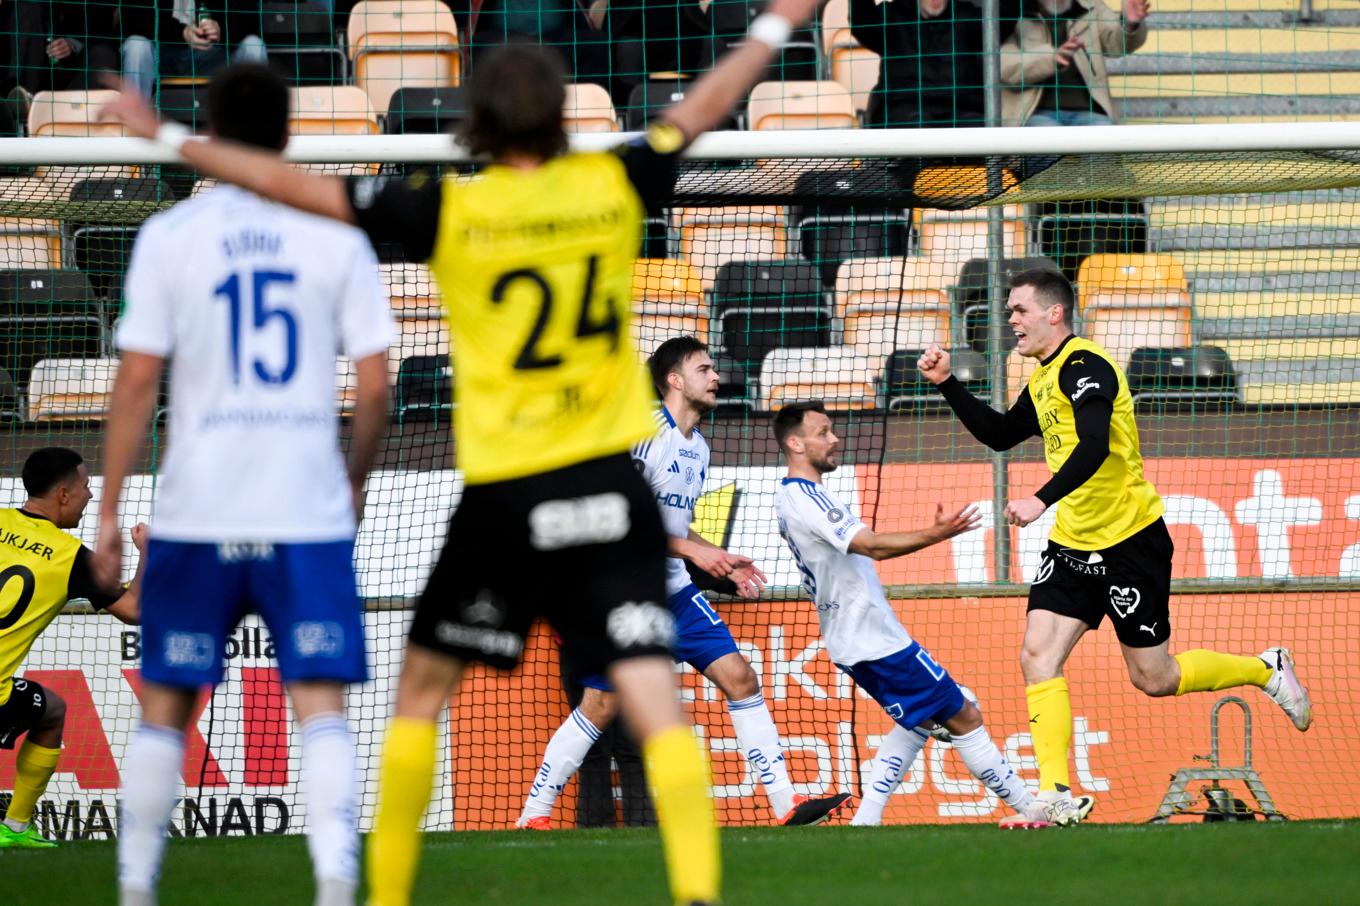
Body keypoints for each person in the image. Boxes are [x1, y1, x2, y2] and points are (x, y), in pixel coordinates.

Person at [100, 3, 822, 902]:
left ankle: (389, 895)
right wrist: (777, 23)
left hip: (505, 498)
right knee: (652, 692)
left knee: (418, 697)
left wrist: (169, 133)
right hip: (606, 486)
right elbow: (707, 104)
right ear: (563, 118)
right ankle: (699, 893)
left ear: (473, 125)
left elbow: (299, 191)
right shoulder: (611, 184)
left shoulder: (450, 210)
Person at [92, 64, 393, 906]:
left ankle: (136, 886)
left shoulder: (170, 235)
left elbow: (135, 385)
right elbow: (374, 387)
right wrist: (355, 480)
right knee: (321, 706)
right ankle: (336, 881)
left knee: (166, 708)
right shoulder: (334, 233)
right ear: (288, 135)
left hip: (198, 508)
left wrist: (112, 511)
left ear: (211, 132)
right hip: (304, 508)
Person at [917, 268, 1312, 825]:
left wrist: (1040, 499)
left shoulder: (1086, 367)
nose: (1010, 321)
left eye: (1019, 310)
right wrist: (947, 383)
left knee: (1155, 679)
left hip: (1131, 540)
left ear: (1054, 313)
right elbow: (1002, 434)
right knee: (1036, 655)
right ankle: (1055, 796)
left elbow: (1097, 445)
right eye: (1009, 312)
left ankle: (1264, 668)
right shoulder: (1043, 377)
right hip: (1074, 543)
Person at [516, 337, 852, 830]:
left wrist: (713, 557)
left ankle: (785, 805)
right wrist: (698, 551)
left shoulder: (699, 448)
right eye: (704, 368)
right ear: (674, 380)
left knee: (739, 677)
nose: (716, 377)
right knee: (601, 705)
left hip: (673, 588)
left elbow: (672, 522)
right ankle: (535, 813)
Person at [772, 402, 1058, 830]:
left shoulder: (792, 495)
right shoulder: (806, 497)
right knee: (964, 714)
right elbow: (872, 546)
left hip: (856, 636)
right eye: (823, 432)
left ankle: (867, 820)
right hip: (872, 637)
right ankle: (1034, 809)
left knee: (922, 720)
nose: (834, 439)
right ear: (795, 443)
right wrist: (937, 534)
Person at [0, 448, 144, 849]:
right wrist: (150, 554)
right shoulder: (72, 558)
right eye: (85, 487)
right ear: (63, 494)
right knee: (54, 713)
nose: (90, 496)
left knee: (51, 708)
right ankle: (14, 828)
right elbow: (135, 610)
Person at [851, 0, 1020, 129]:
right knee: (915, 127)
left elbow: (1005, 16)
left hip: (961, 111)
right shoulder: (890, 18)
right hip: (904, 112)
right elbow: (862, 21)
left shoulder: (967, 17)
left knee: (977, 131)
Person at [1000, 0, 1149, 127]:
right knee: (1047, 141)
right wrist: (1052, 58)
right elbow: (1005, 67)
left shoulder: (1089, 4)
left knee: (1104, 140)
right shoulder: (1013, 9)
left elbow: (1116, 44)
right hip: (1033, 114)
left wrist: (1129, 24)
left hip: (1090, 113)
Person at [117, 1, 268, 99]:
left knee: (253, 45)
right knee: (136, 44)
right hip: (161, 56)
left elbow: (251, 21)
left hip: (214, 57)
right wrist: (182, 32)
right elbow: (131, 20)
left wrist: (220, 28)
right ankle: (135, 124)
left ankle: (252, 129)